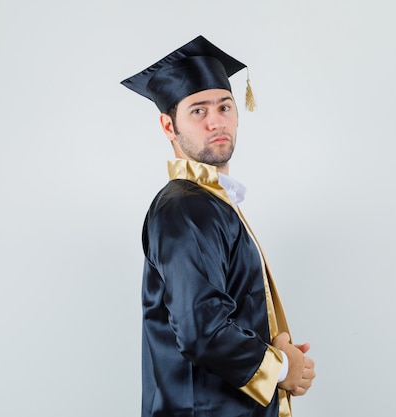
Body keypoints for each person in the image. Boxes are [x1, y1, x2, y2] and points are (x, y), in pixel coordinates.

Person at [121, 35, 315, 417]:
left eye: (224, 106)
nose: (216, 121)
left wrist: (278, 350)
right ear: (167, 125)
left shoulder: (211, 202)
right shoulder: (187, 208)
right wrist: (283, 367)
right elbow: (202, 331)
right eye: (197, 111)